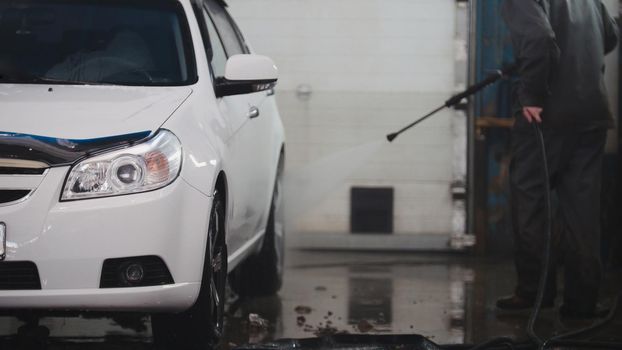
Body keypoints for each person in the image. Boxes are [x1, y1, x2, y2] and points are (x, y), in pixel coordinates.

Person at [498, 0, 619, 319]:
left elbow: (539, 38)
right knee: (583, 210)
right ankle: (583, 301)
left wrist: (533, 94)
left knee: (530, 201)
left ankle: (534, 292)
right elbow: (610, 36)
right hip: (591, 111)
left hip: (547, 115)